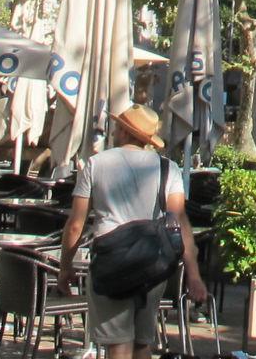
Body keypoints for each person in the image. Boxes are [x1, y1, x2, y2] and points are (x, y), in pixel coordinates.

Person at [57, 105, 207, 359]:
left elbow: (75, 224)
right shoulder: (167, 168)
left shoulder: (95, 164)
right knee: (141, 343)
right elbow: (179, 220)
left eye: (118, 126)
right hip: (153, 265)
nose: (114, 130)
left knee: (118, 344)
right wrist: (193, 275)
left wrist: (65, 266)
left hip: (111, 261)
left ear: (125, 132)